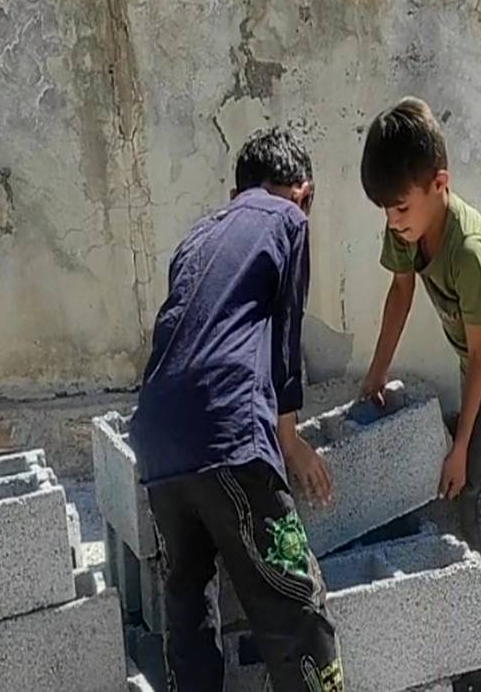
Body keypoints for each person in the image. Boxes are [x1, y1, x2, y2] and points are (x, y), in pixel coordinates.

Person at [129, 128, 343, 691]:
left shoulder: (196, 237)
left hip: (157, 444)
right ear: (304, 194)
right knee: (295, 603)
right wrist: (290, 441)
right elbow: (284, 342)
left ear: (235, 193)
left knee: (188, 598)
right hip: (228, 436)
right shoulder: (288, 220)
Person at [358, 97, 481, 690]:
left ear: (440, 184)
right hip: (477, 367)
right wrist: (375, 374)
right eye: (386, 211)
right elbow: (400, 294)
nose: (393, 222)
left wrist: (460, 447)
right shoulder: (407, 229)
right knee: (473, 494)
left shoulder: (469, 249)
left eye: (401, 208)